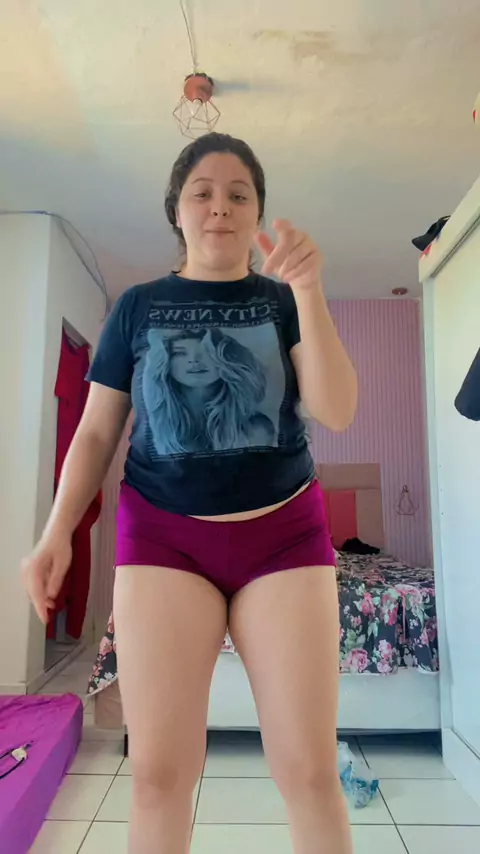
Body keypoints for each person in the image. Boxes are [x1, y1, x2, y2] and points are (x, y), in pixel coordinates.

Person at [21, 132, 358, 854]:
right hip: (163, 539)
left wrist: (309, 290)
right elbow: (95, 432)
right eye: (203, 192)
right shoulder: (137, 307)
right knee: (158, 774)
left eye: (239, 194)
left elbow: (337, 411)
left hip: (285, 536)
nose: (220, 207)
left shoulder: (283, 300)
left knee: (309, 772)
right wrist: (56, 533)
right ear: (177, 209)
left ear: (258, 211)